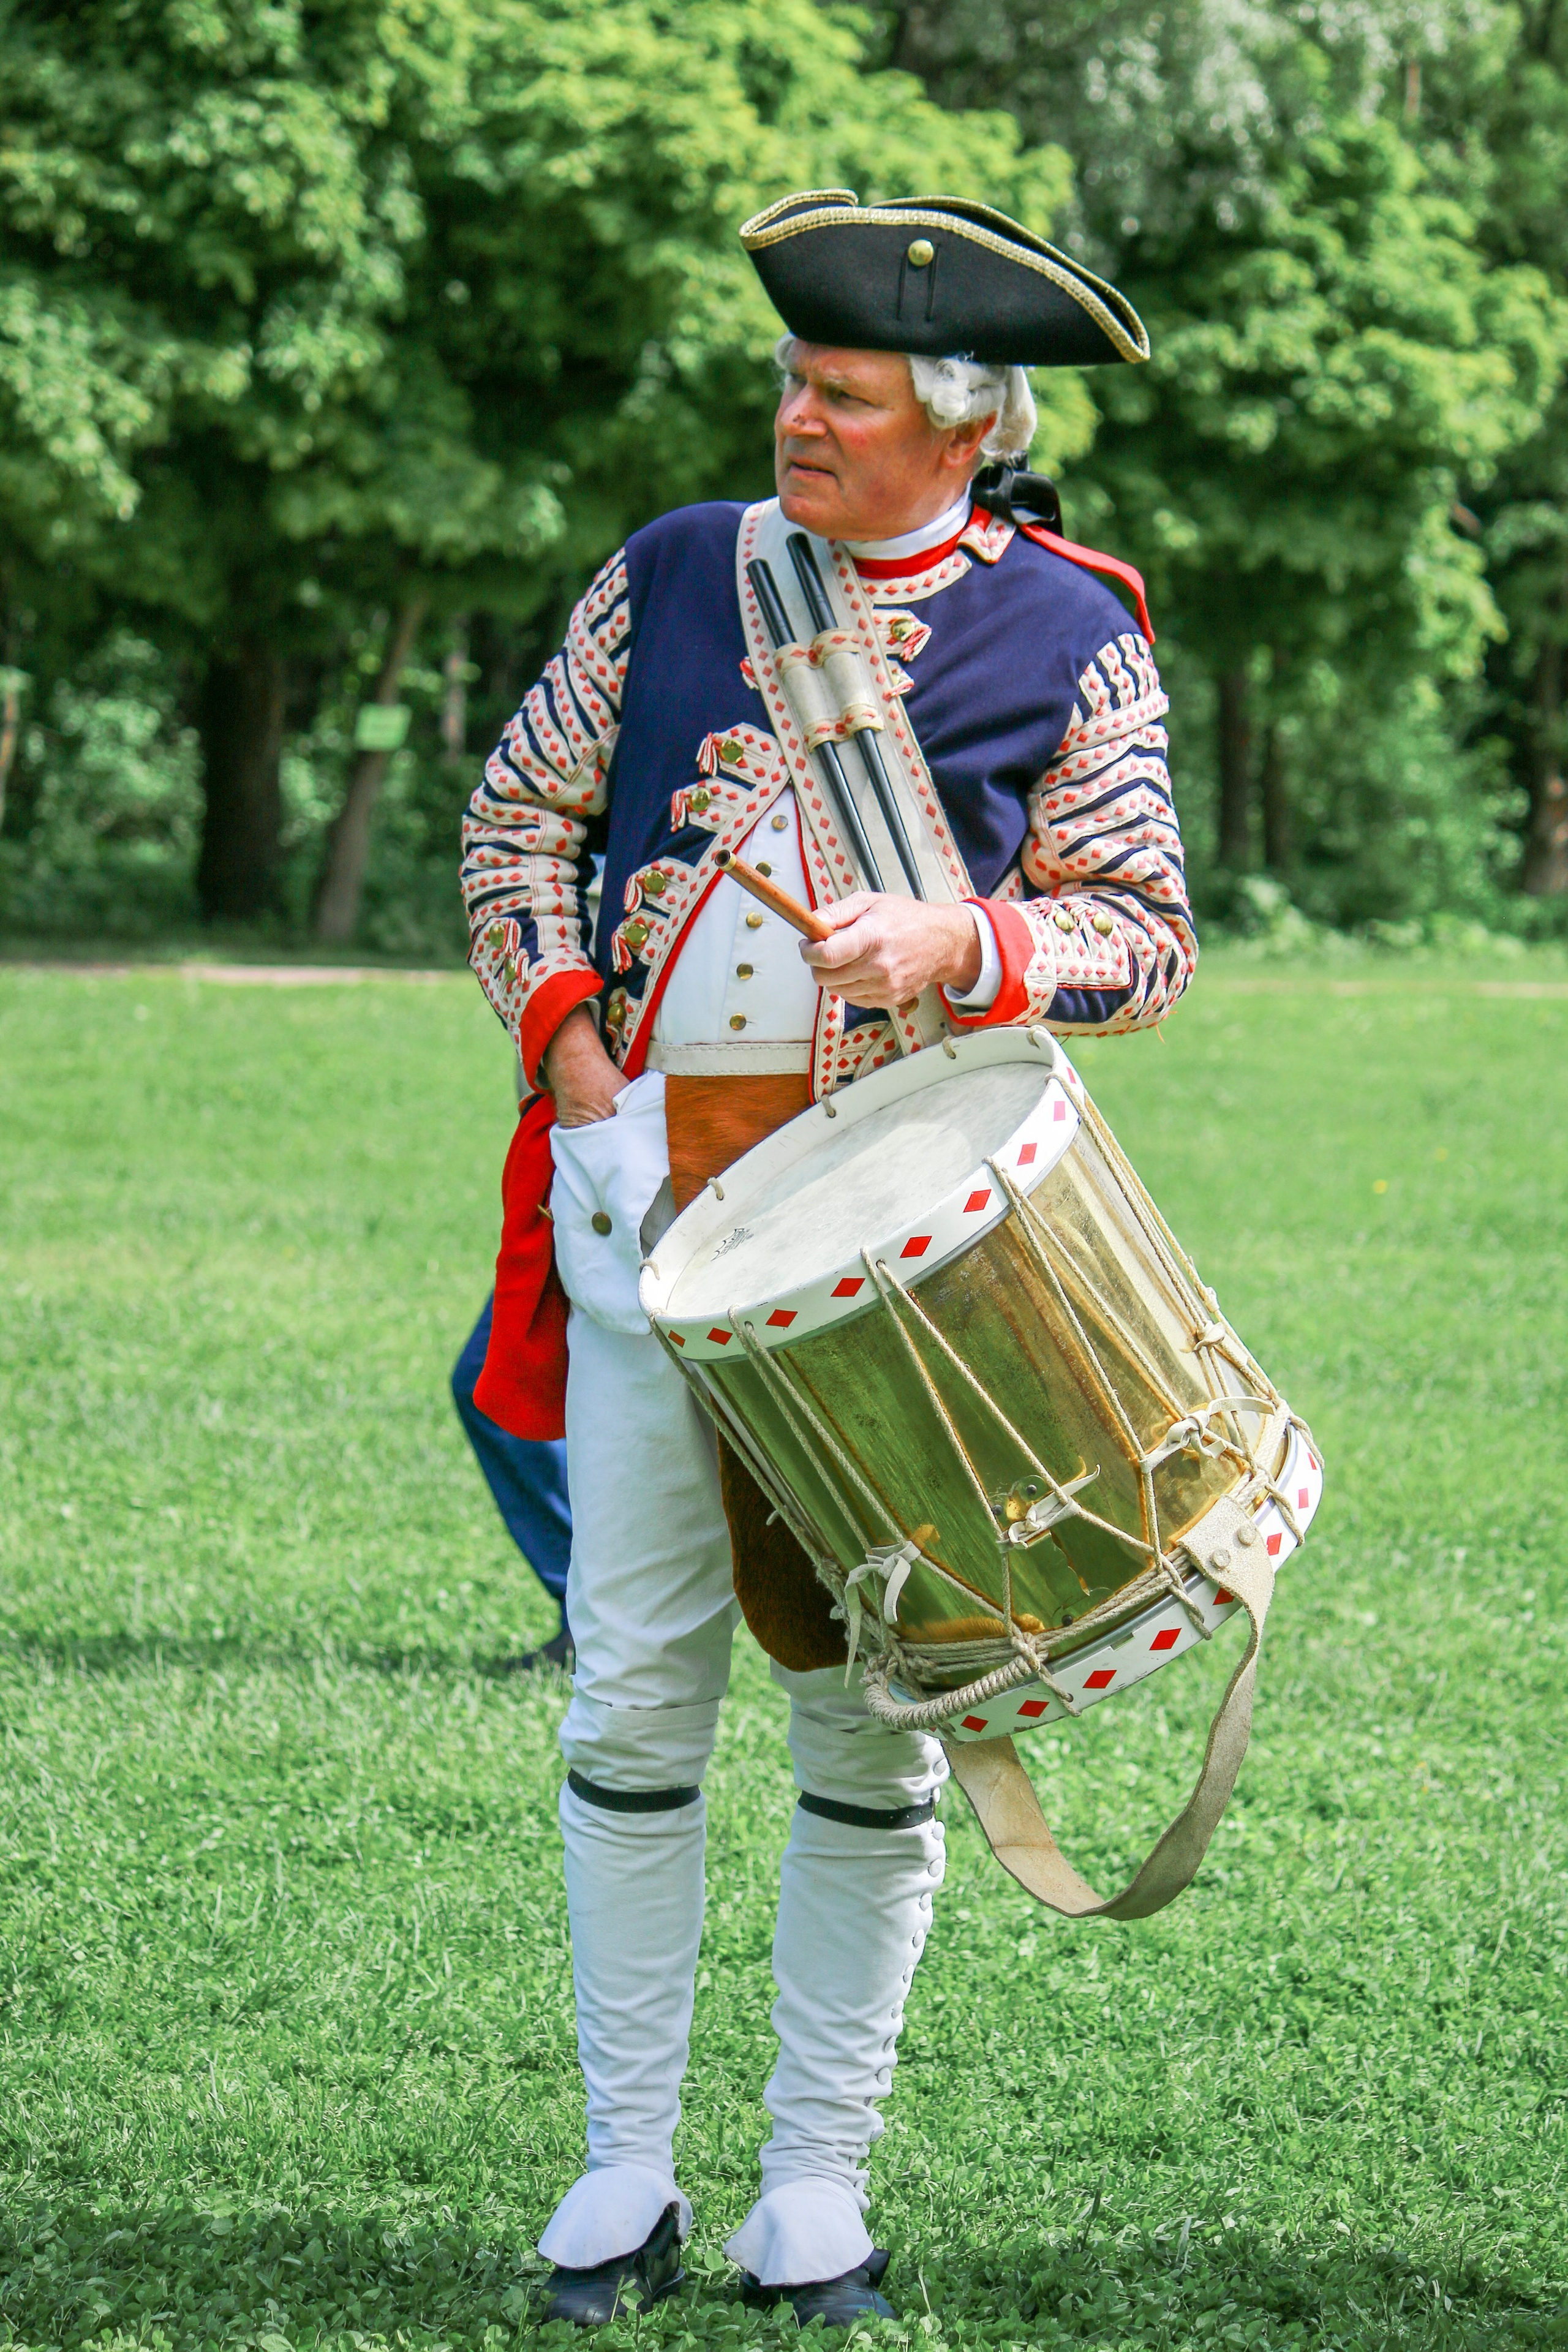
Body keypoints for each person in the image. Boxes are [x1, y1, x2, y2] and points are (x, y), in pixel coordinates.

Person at [459, 189, 1196, 2326]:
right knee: (630, 1685)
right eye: (792, 381)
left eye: (845, 397)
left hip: (904, 1268)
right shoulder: (682, 567)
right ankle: (618, 2175)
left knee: (876, 1724)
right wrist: (569, 1039)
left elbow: (1141, 938)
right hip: (643, 1221)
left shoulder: (1073, 630)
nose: (798, 418)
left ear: (963, 426)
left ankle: (814, 2192)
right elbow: (516, 827)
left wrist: (974, 940)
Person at [450, 1292, 573, 1671]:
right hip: (552, 1233)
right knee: (492, 1383)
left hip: (609, 1240)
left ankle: (604, 1613)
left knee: (499, 1385)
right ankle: (593, 1613)